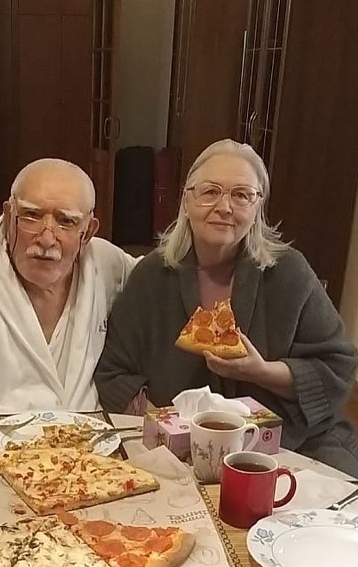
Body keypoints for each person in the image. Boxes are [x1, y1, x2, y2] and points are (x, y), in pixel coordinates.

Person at [95, 139, 358, 476]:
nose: (224, 207)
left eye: (241, 195)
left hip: (293, 442)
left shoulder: (289, 272)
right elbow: (114, 372)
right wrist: (166, 427)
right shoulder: (152, 276)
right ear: (187, 201)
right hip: (176, 449)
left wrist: (260, 371)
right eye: (210, 192)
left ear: (258, 207)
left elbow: (337, 366)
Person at [0, 158, 138, 414]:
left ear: (87, 232)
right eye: (31, 216)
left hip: (92, 436)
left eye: (66, 221)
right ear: (9, 216)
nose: (46, 239)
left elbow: (160, 278)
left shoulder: (107, 264)